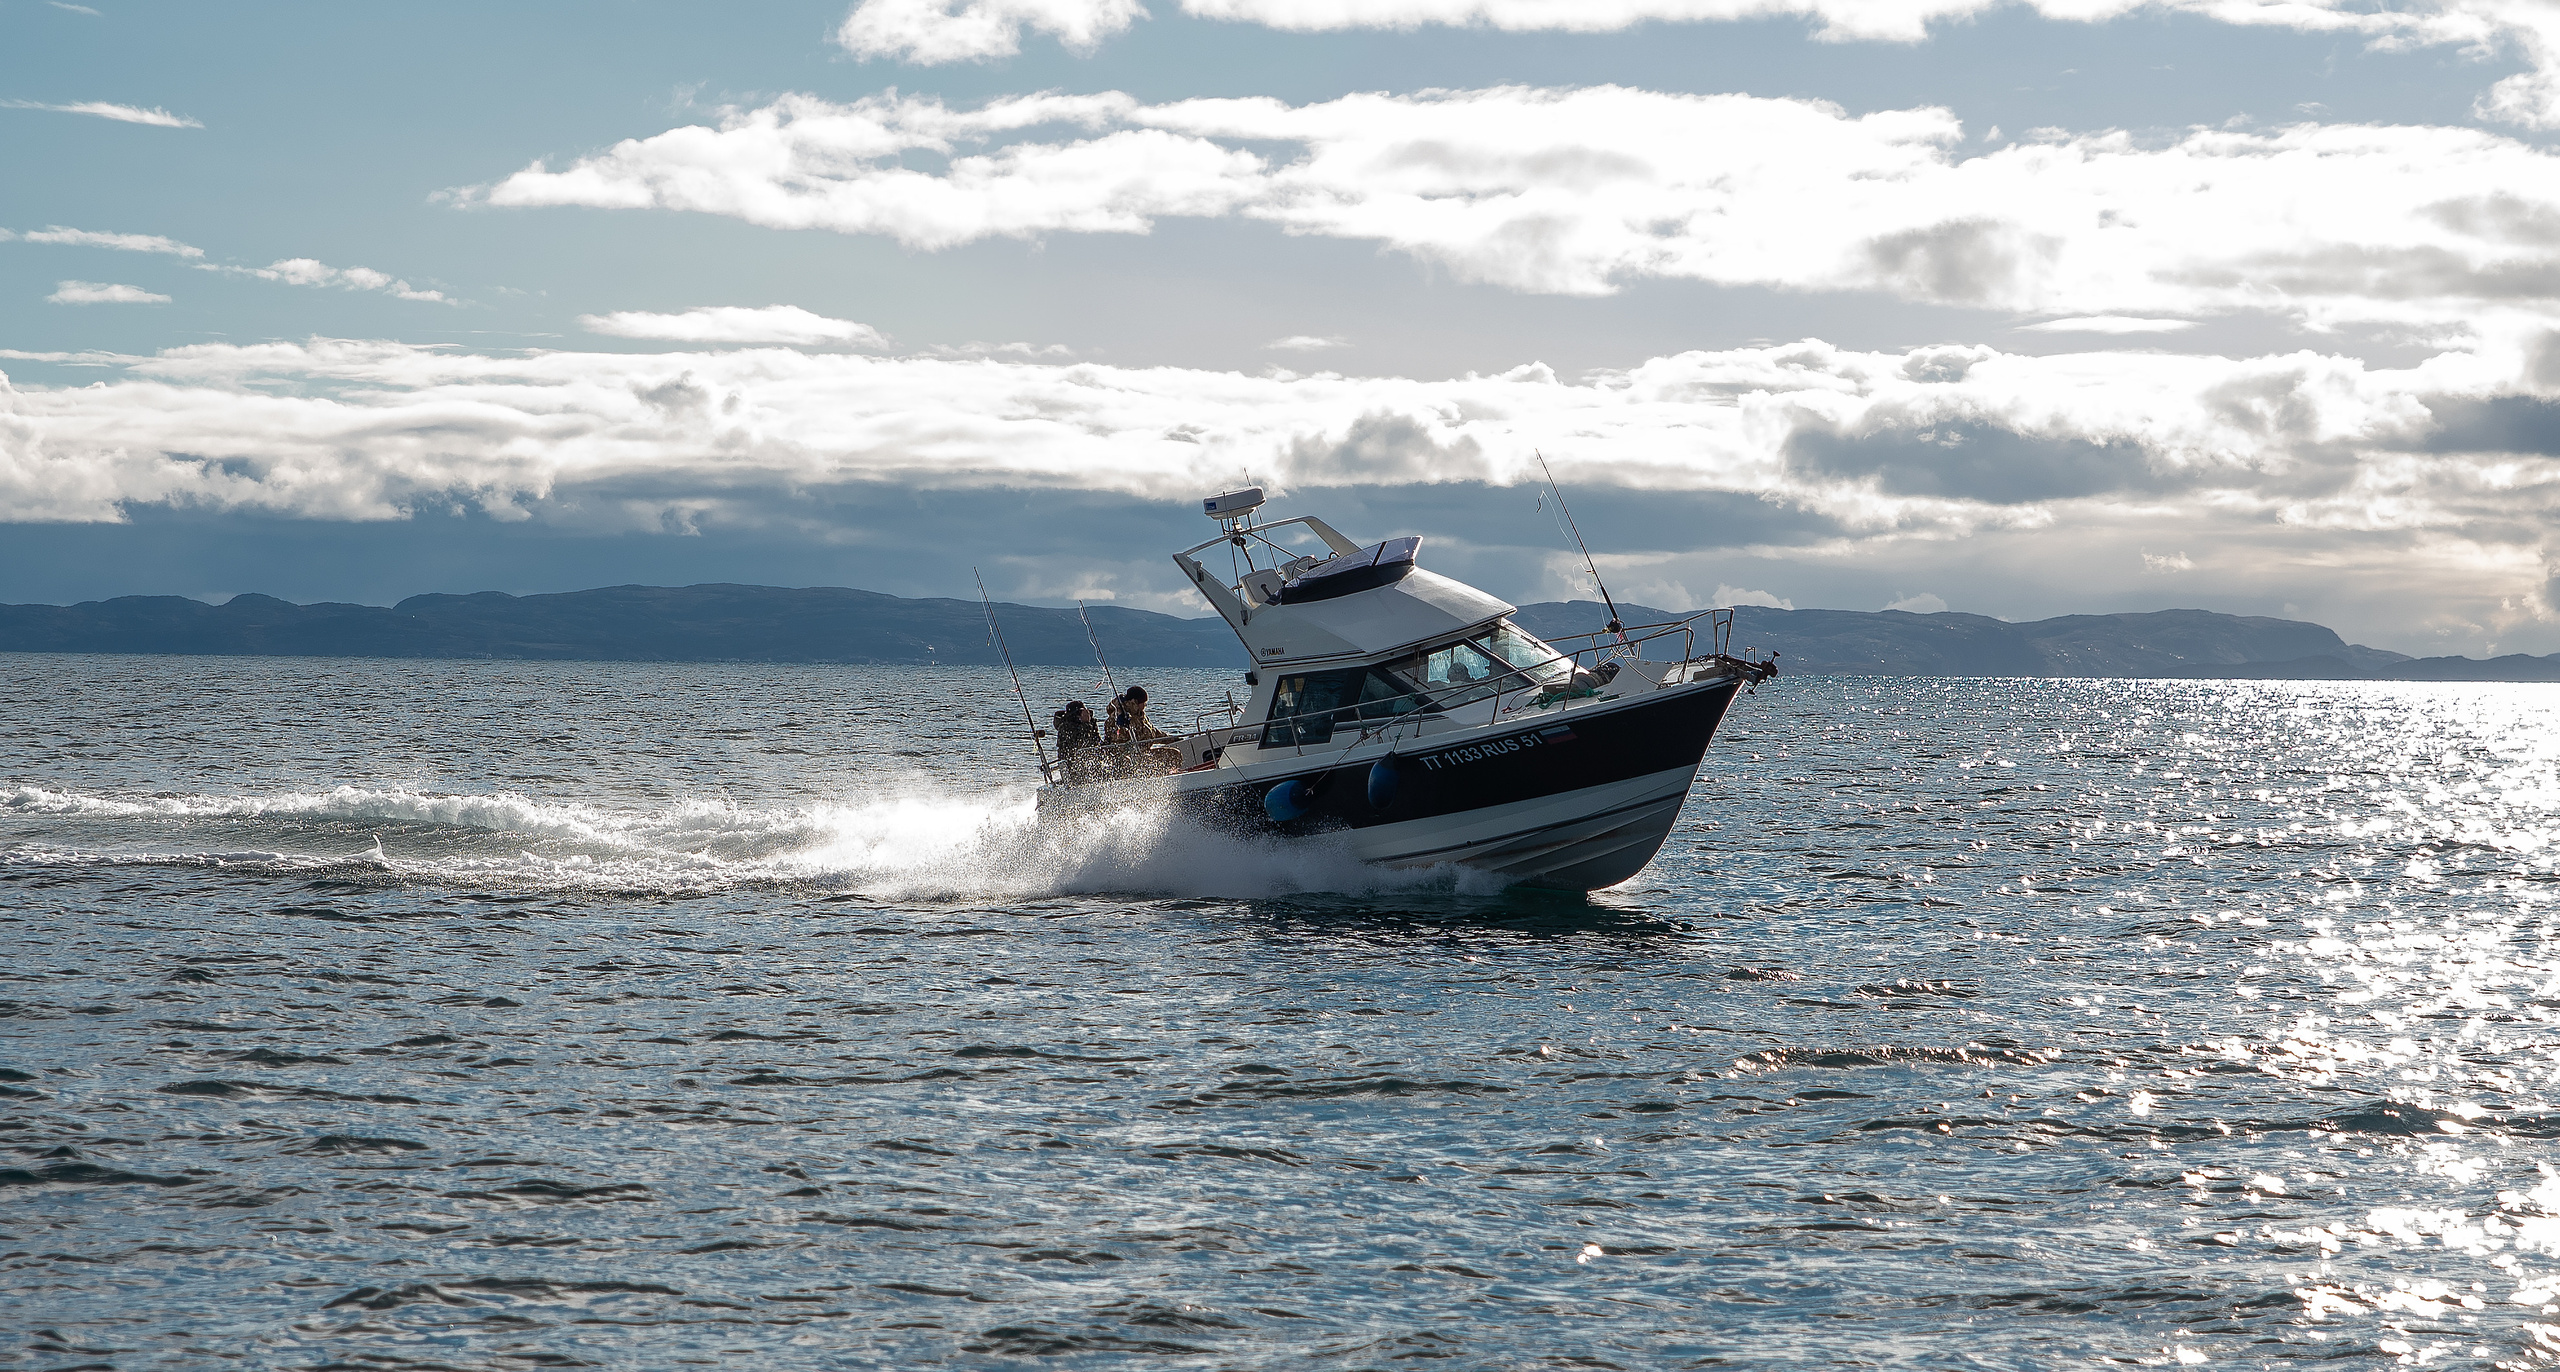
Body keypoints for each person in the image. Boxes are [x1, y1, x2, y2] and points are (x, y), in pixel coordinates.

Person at [1052, 699, 1101, 781]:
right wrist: (1086, 724)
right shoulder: (1065, 727)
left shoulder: (1090, 724)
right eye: (1081, 712)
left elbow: (1096, 741)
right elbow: (1080, 742)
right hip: (1072, 766)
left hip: (1091, 763)